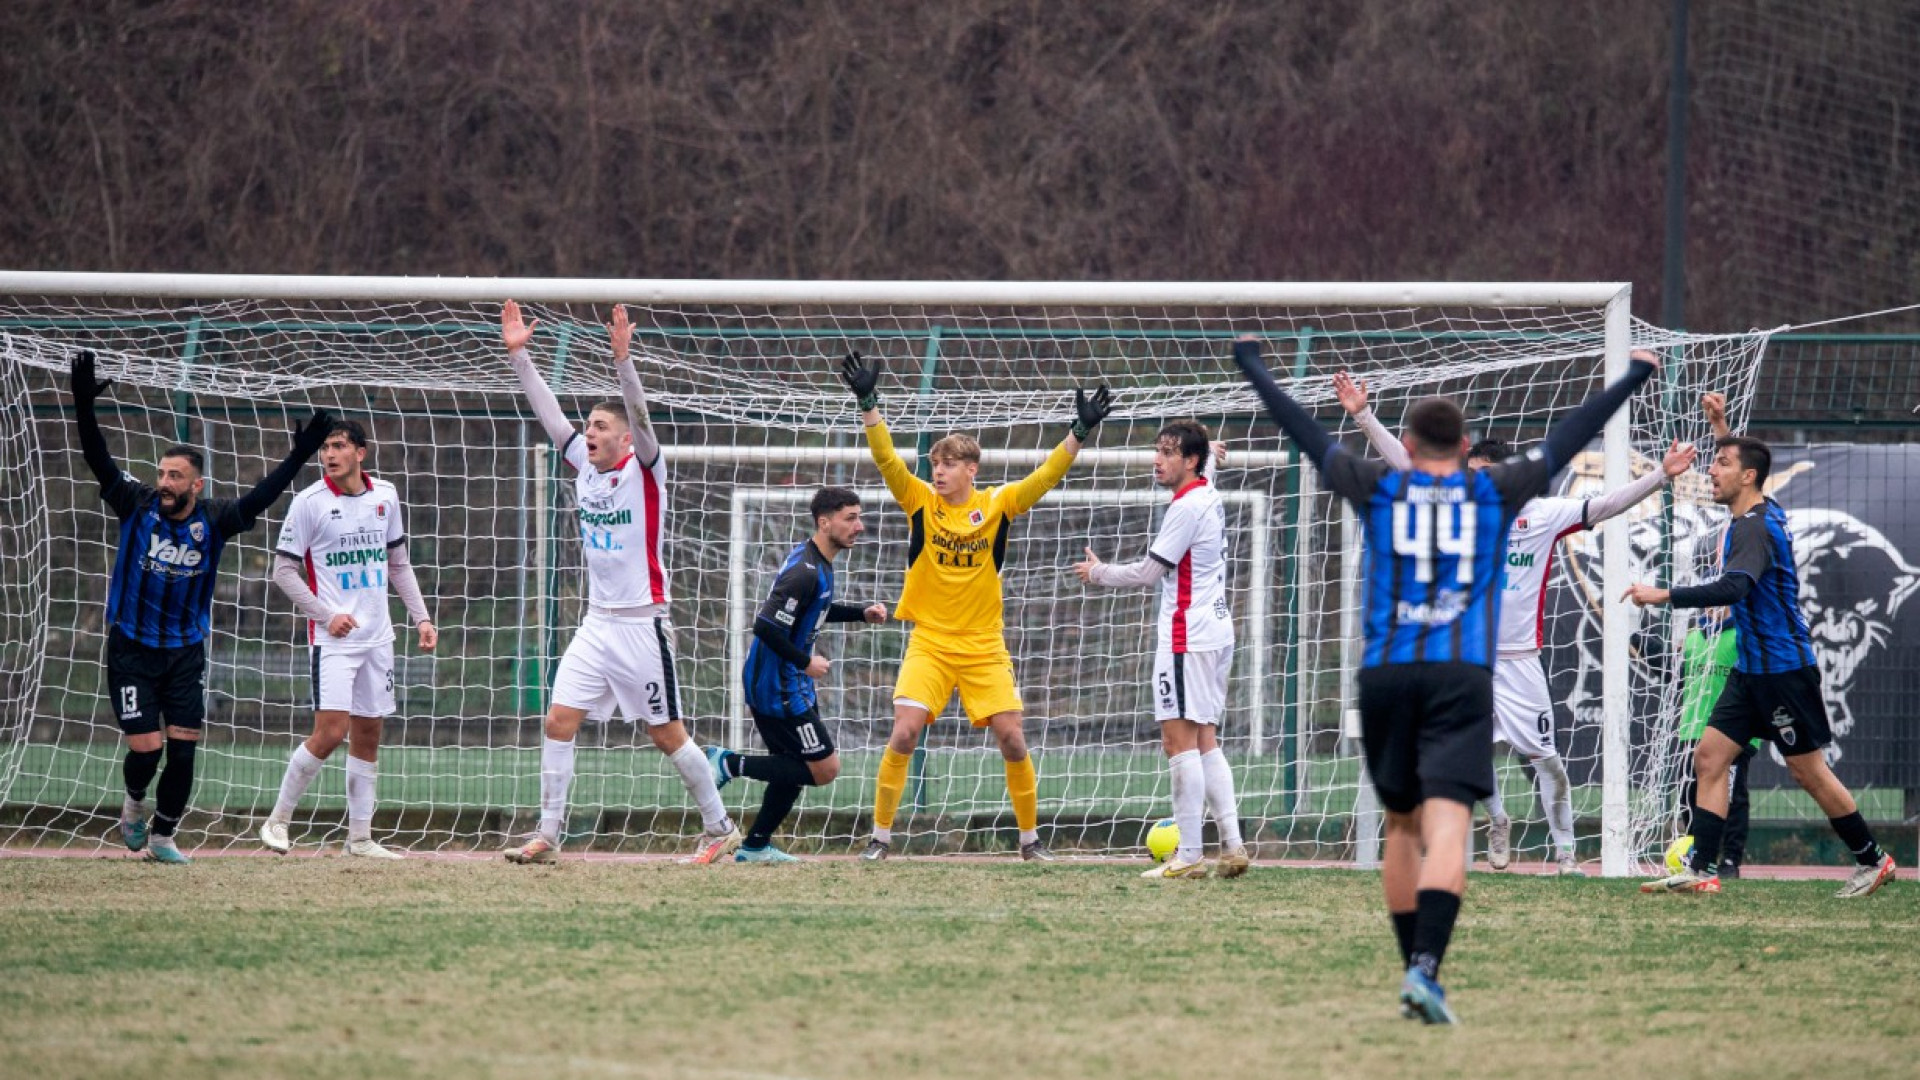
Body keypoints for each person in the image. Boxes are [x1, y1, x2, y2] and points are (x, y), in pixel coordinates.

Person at [1234, 335, 1658, 1024]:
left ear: (1404, 440)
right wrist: (1633, 375)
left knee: (1404, 827)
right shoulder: (1493, 490)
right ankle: (1427, 969)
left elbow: (1304, 430)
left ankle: (1413, 972)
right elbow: (1570, 431)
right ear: (1465, 446)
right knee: (1450, 826)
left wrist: (1253, 366)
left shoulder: (1379, 484)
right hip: (1460, 675)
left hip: (1386, 677)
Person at [1334, 371, 1697, 875]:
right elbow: (1406, 462)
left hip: (1522, 661)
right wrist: (1365, 416)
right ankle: (1498, 819)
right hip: (1468, 657)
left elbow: (1606, 504)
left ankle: (1566, 853)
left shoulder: (1544, 514)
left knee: (1547, 760)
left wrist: (1661, 474)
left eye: (1485, 474)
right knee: (1466, 753)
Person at [839, 351, 1111, 862]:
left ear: (970, 469)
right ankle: (879, 837)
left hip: (984, 646)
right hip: (931, 642)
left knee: (1012, 738)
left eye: (947, 464)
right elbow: (885, 460)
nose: (937, 471)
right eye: (935, 463)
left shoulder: (999, 504)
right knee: (904, 731)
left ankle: (1030, 842)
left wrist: (1079, 431)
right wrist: (869, 404)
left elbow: (1046, 475)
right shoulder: (920, 501)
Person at [499, 300, 740, 865]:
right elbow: (549, 414)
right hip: (597, 624)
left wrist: (624, 360)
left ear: (625, 441)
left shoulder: (646, 468)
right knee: (558, 720)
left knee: (666, 733)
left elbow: (640, 411)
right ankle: (548, 834)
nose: (588, 433)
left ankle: (720, 827)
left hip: (642, 625)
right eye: (587, 426)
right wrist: (520, 357)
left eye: (600, 426)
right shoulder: (584, 467)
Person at [71, 350, 330, 865]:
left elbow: (261, 498)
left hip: (185, 650)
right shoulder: (137, 502)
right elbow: (99, 459)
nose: (164, 483)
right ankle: (133, 805)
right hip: (130, 646)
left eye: (175, 477)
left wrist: (299, 455)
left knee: (185, 746)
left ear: (196, 485)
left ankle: (164, 837)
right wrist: (82, 405)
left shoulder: (214, 519)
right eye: (162, 474)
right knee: (146, 748)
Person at [1627, 435, 1898, 898]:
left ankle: (1874, 860)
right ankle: (1700, 869)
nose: (1711, 471)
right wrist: (1722, 429)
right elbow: (1748, 462)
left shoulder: (1754, 528)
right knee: (1709, 758)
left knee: (1807, 772)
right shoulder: (1759, 509)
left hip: (1782, 673)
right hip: (1751, 670)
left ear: (1747, 476)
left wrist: (1663, 595)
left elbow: (1733, 588)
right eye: (1713, 463)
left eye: (1721, 464)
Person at [1073, 420, 1247, 880]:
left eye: (1169, 453)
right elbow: (1207, 465)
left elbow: (1149, 574)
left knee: (1177, 741)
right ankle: (1232, 845)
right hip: (1216, 631)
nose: (1158, 459)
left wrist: (1099, 574)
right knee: (1205, 738)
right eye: (1157, 450)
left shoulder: (1186, 507)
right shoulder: (1206, 488)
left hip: (1186, 636)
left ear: (1188, 461)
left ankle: (1188, 855)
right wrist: (1210, 454)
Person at [259, 419, 436, 859]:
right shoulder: (309, 503)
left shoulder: (386, 496)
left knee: (369, 733)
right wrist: (326, 615)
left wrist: (422, 618)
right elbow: (282, 571)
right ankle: (278, 821)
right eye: (324, 448)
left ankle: (360, 839)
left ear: (362, 452)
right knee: (330, 733)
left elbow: (398, 563)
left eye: (338, 446)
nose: (329, 455)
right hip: (333, 640)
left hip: (379, 639)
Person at [706, 488, 888, 862]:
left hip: (791, 684)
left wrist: (859, 613)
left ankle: (755, 845)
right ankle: (728, 763)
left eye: (859, 517)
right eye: (850, 518)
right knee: (823, 769)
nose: (860, 526)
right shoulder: (805, 571)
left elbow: (815, 610)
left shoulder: (818, 562)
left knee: (793, 765)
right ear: (825, 522)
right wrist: (805, 663)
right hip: (778, 687)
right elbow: (765, 626)